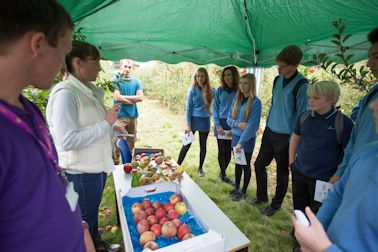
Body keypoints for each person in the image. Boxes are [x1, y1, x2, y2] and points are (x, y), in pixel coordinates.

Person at [0, 0, 90, 251]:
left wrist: (75, 226)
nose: (63, 64)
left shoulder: (27, 109)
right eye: (63, 51)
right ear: (38, 44)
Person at [46, 41, 121, 252]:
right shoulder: (65, 94)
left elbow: (90, 127)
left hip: (93, 169)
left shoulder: (84, 91)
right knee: (83, 221)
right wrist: (105, 123)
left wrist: (111, 132)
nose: (99, 68)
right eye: (96, 62)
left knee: (90, 214)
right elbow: (67, 140)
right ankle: (90, 247)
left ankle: (97, 244)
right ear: (78, 63)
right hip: (79, 173)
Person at [292, 98, 378, 252]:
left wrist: (321, 247)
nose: (373, 105)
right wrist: (316, 232)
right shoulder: (367, 153)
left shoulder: (342, 123)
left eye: (317, 97)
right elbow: (337, 195)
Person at [252, 45, 309, 216]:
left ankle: (275, 205)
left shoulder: (302, 85)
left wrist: (294, 141)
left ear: (294, 65)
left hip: (286, 137)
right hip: (270, 132)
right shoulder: (277, 80)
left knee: (282, 173)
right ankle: (261, 197)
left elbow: (301, 116)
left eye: (283, 65)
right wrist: (266, 125)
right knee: (259, 164)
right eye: (279, 64)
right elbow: (275, 105)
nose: (279, 68)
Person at [289, 81, 353, 214]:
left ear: (331, 100)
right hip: (299, 172)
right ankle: (297, 232)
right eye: (309, 97)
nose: (310, 101)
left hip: (324, 179)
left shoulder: (343, 123)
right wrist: (291, 162)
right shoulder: (304, 117)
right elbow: (295, 139)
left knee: (317, 212)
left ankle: (311, 234)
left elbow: (349, 152)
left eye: (316, 98)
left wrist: (338, 174)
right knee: (299, 207)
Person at [330, 28, 378, 184]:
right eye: (369, 57)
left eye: (376, 57)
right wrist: (341, 171)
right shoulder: (372, 94)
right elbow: (355, 137)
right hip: (356, 177)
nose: (369, 64)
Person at [227, 73, 262, 201]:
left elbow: (252, 126)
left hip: (246, 141)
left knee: (245, 165)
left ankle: (243, 191)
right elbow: (229, 119)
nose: (242, 86)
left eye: (245, 83)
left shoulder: (256, 103)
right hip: (235, 138)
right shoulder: (237, 100)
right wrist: (237, 124)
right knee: (237, 164)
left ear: (251, 84)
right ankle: (236, 187)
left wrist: (240, 143)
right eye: (241, 83)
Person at [178, 67, 214, 177]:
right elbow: (188, 108)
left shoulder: (211, 90)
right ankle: (177, 165)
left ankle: (200, 168)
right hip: (193, 121)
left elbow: (219, 101)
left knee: (203, 146)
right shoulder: (192, 90)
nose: (199, 78)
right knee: (186, 144)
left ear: (206, 77)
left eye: (202, 76)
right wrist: (188, 125)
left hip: (205, 122)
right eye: (197, 76)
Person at [112, 59, 143, 162]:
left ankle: (128, 162)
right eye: (125, 66)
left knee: (131, 141)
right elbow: (116, 98)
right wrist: (131, 100)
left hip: (132, 116)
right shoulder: (116, 80)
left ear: (132, 68)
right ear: (121, 66)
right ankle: (115, 162)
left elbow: (140, 97)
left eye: (129, 67)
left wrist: (123, 98)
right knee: (116, 140)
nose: (127, 69)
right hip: (119, 116)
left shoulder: (136, 82)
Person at [213, 66, 239, 185]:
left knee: (228, 151)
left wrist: (236, 126)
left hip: (232, 124)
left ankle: (223, 173)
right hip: (221, 123)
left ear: (234, 76)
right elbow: (215, 108)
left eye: (229, 75)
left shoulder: (239, 91)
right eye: (225, 75)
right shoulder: (219, 90)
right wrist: (218, 126)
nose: (227, 77)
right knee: (221, 150)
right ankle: (223, 174)